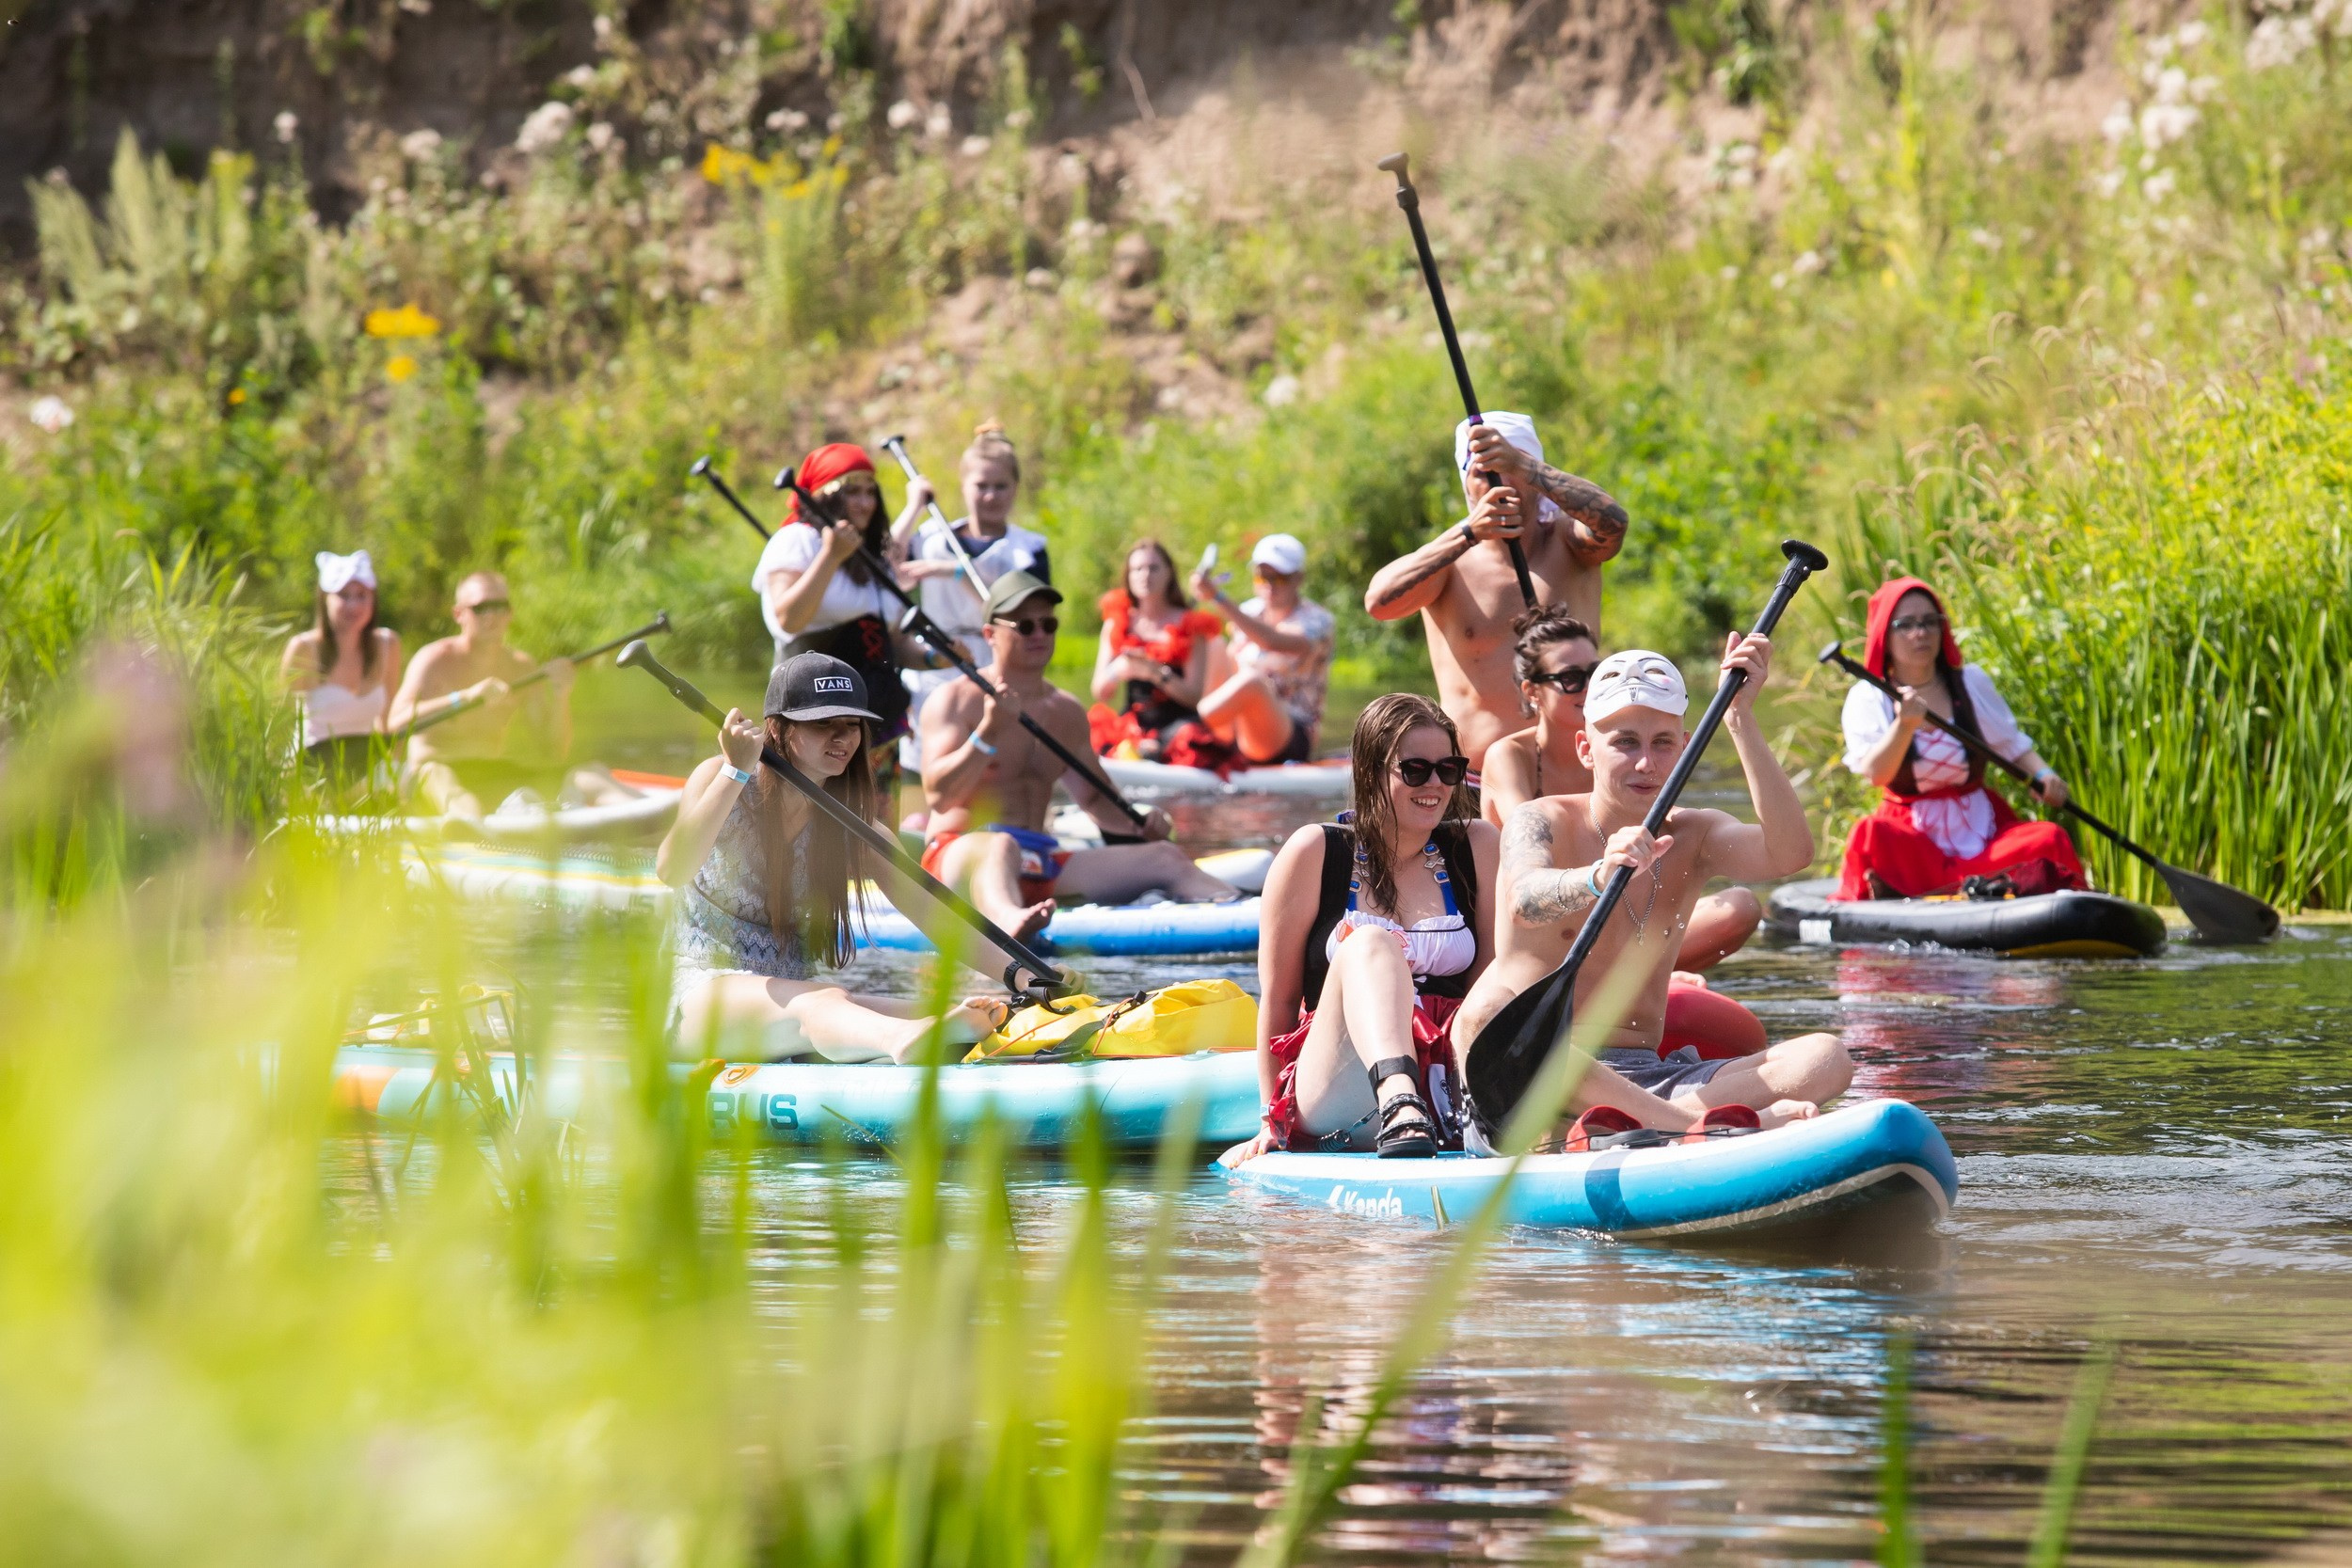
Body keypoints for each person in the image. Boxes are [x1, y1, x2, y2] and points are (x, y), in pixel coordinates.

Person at [1453, 645, 1853, 1148]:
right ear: (1584, 749)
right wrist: (1598, 875)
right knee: (1483, 1011)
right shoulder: (1540, 818)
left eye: (1664, 743)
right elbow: (1523, 900)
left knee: (1826, 1056)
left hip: (1650, 1077)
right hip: (1535, 1073)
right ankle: (1681, 1128)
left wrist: (1740, 720)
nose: (1646, 762)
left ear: (1687, 747)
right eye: (1624, 742)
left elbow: (1791, 852)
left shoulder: (1696, 835)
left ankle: (1638, 1127)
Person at [660, 652, 1020, 1062]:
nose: (842, 738)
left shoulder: (856, 829)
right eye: (823, 725)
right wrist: (735, 771)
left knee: (965, 1014)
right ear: (777, 728)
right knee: (821, 1001)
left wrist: (1025, 978)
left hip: (794, 1002)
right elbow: (672, 870)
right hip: (694, 1001)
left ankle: (927, 1034)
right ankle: (900, 1043)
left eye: (851, 726)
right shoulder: (719, 777)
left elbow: (937, 915)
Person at [1221, 694, 1501, 1164]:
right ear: (1372, 771)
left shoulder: (1478, 845)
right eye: (1414, 770)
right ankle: (1398, 1098)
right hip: (1337, 1081)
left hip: (1448, 1077)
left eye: (1448, 769)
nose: (1434, 784)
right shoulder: (1315, 852)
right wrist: (1270, 1125)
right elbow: (1281, 1000)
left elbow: (1492, 981)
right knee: (1370, 941)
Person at [920, 570, 1239, 942]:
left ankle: (1248, 910)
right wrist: (988, 731)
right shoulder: (955, 701)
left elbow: (1094, 799)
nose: (1039, 634)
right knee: (1000, 846)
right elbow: (939, 795)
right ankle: (1009, 926)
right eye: (1025, 626)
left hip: (1038, 861)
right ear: (990, 634)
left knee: (1165, 857)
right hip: (958, 856)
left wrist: (1139, 825)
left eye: (1048, 624)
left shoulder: (1066, 711)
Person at [1481, 609, 1761, 972]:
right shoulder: (1509, 756)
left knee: (1740, 907)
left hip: (1614, 915)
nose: (1585, 687)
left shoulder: (1627, 760)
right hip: (1533, 924)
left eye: (1594, 674)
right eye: (1570, 678)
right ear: (1532, 691)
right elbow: (1540, 863)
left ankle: (1648, 979)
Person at [1364, 413, 1629, 772]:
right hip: (1471, 778)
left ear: (1536, 475)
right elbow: (1378, 603)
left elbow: (1614, 523)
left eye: (1511, 468)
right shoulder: (1449, 559)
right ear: (1467, 485)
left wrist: (1522, 463)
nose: (1500, 483)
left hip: (1570, 776)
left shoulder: (1570, 542)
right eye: (1483, 472)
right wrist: (1468, 533)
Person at [1836, 578, 2083, 900]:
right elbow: (1877, 773)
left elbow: (2013, 747)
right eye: (1905, 625)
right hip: (1912, 840)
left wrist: (2045, 775)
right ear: (1885, 635)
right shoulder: (1868, 696)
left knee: (2049, 837)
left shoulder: (1970, 683)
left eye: (1929, 622)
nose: (1920, 633)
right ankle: (1903, 890)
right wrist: (1904, 726)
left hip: (1983, 836)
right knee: (1870, 834)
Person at [385, 571, 626, 822]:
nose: (492, 616)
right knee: (445, 782)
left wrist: (560, 697)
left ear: (510, 613)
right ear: (459, 614)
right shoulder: (434, 660)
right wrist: (464, 698)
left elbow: (553, 751)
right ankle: (469, 828)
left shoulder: (521, 666)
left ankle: (654, 823)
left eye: (500, 607)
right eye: (481, 608)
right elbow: (395, 725)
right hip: (435, 773)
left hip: (492, 774)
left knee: (589, 773)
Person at [752, 441, 930, 775]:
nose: (865, 503)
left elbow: (891, 643)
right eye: (852, 492)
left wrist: (935, 658)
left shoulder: (873, 556)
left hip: (875, 719)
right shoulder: (798, 541)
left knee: (875, 825)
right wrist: (831, 557)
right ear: (826, 496)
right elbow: (787, 619)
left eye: (870, 492)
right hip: (812, 720)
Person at [900, 422, 1053, 745]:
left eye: (1001, 486)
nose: (990, 496)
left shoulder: (1029, 551)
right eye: (981, 485)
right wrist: (913, 506)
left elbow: (1015, 613)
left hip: (998, 663)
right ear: (963, 485)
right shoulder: (930, 537)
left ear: (1016, 487)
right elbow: (888, 571)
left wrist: (953, 571)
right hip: (935, 663)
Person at [1189, 532, 1335, 767]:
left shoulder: (1318, 622)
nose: (1269, 585)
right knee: (1213, 644)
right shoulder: (1248, 611)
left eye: (1279, 578)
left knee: (1252, 682)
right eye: (1262, 577)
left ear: (1298, 579)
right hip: (1238, 728)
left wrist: (1217, 597)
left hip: (1290, 734)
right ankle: (1195, 732)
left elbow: (1271, 641)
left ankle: (1184, 729)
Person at [1088, 538, 1234, 769]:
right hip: (1134, 722)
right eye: (1138, 569)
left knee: (1189, 740)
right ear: (1128, 576)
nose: (1145, 575)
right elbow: (1100, 691)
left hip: (1178, 723)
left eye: (1153, 568)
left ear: (1169, 573)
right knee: (1095, 730)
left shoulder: (1191, 625)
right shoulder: (1118, 622)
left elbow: (1194, 696)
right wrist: (1120, 669)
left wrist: (1156, 674)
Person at [282, 549, 403, 786]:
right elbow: (280, 722)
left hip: (366, 766)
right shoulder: (304, 648)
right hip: (312, 769)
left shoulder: (388, 645)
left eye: (361, 596)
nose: (353, 605)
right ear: (325, 599)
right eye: (344, 595)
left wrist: (393, 765)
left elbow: (389, 719)